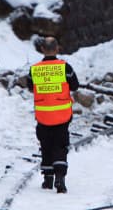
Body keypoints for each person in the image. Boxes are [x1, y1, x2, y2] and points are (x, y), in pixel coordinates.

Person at [27, 37, 79, 193]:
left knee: (46, 145)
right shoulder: (65, 68)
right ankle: (60, 179)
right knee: (60, 146)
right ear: (57, 49)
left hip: (43, 116)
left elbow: (30, 87)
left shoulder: (34, 69)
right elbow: (75, 85)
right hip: (62, 115)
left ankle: (47, 179)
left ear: (42, 49)